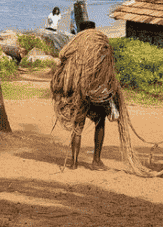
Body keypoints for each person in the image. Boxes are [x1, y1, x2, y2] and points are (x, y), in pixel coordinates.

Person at [51, 23, 120, 170]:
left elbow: (63, 61)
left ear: (81, 30)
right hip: (96, 92)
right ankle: (96, 161)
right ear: (93, 28)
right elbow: (108, 70)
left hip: (78, 93)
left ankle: (74, 163)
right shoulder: (102, 44)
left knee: (78, 126)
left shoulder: (74, 46)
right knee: (100, 123)